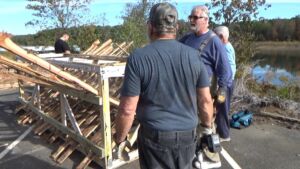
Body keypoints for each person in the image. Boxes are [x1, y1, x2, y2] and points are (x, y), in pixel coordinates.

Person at [113, 2, 214, 169]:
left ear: (151, 26)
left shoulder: (138, 57)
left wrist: (121, 139)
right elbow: (205, 101)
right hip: (187, 136)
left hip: (154, 139)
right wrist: (206, 128)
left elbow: (127, 109)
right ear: (176, 27)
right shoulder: (194, 56)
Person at [179, 5, 232, 141]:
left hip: (203, 92)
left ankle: (209, 154)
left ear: (206, 20)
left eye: (197, 17)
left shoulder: (214, 41)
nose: (192, 20)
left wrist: (221, 91)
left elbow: (225, 70)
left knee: (206, 127)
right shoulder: (187, 38)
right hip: (186, 90)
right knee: (189, 123)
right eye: (191, 17)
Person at [214, 26, 236, 141]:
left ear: (221, 37)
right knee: (222, 107)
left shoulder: (225, 49)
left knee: (222, 108)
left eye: (215, 37)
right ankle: (222, 131)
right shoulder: (227, 46)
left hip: (225, 86)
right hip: (227, 84)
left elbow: (230, 68)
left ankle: (224, 135)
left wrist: (223, 84)